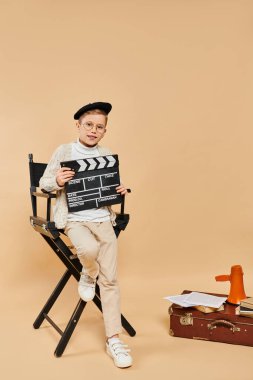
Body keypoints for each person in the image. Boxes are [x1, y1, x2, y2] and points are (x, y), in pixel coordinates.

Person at [39, 102, 133, 368]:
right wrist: (57, 180)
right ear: (78, 126)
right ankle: (88, 273)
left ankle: (114, 339)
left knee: (111, 280)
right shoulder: (64, 151)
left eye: (99, 127)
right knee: (88, 251)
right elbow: (44, 183)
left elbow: (109, 188)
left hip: (103, 220)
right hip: (74, 219)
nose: (93, 130)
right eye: (89, 125)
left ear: (105, 131)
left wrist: (120, 191)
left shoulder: (107, 154)